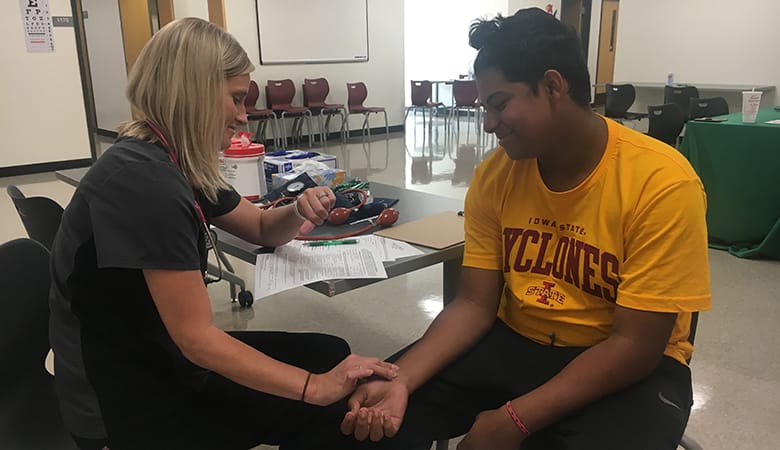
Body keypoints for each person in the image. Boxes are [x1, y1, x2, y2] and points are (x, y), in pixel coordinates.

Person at [338, 8, 711, 450]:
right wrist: (403, 381)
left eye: (499, 104)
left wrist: (513, 420)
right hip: (518, 339)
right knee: (355, 423)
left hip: (627, 363)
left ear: (554, 86)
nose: (489, 124)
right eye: (485, 108)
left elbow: (634, 345)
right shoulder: (497, 175)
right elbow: (475, 303)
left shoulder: (661, 181)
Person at [49, 17, 397, 450]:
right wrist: (315, 387)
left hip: (154, 349)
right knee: (326, 402)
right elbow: (197, 339)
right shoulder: (143, 182)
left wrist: (297, 208)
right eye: (234, 99)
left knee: (329, 352)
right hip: (125, 395)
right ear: (191, 92)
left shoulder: (175, 158)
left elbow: (262, 227)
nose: (242, 116)